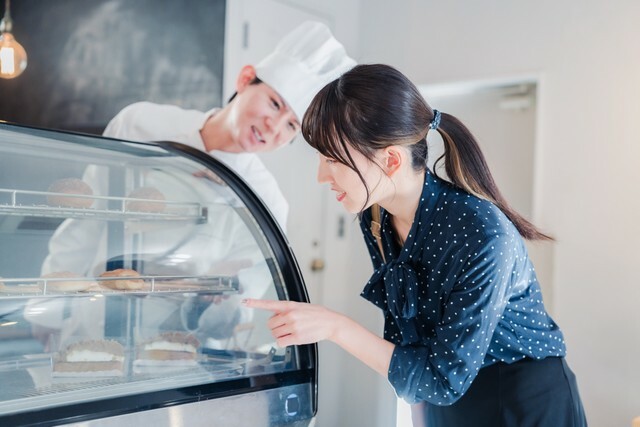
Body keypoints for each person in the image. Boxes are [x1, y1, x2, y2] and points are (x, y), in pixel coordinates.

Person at [244, 64, 588, 426]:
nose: (321, 176)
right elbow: (416, 353)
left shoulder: (484, 236)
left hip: (524, 401)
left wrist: (335, 327)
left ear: (391, 159)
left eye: (332, 159)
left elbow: (442, 379)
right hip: (446, 400)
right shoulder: (375, 217)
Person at [27, 22, 356, 349]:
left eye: (291, 126)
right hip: (95, 327)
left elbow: (231, 321)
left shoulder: (266, 202)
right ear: (245, 80)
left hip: (177, 354)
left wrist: (217, 292)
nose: (273, 127)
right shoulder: (141, 123)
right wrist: (46, 311)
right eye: (273, 103)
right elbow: (86, 223)